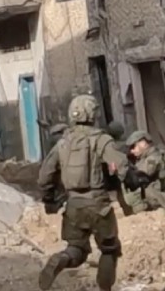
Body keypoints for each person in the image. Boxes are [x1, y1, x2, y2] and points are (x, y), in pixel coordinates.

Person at [37, 95, 136, 291]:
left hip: (73, 205)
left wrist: (48, 199)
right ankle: (105, 288)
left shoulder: (63, 142)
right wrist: (132, 180)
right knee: (109, 248)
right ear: (93, 114)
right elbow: (120, 164)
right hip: (99, 204)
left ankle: (61, 259)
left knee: (76, 249)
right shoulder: (101, 139)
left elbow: (44, 176)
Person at [125, 130, 165, 210]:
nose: (132, 151)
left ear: (143, 143)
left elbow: (144, 173)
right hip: (158, 191)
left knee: (146, 192)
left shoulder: (154, 156)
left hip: (160, 191)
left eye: (133, 147)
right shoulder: (142, 158)